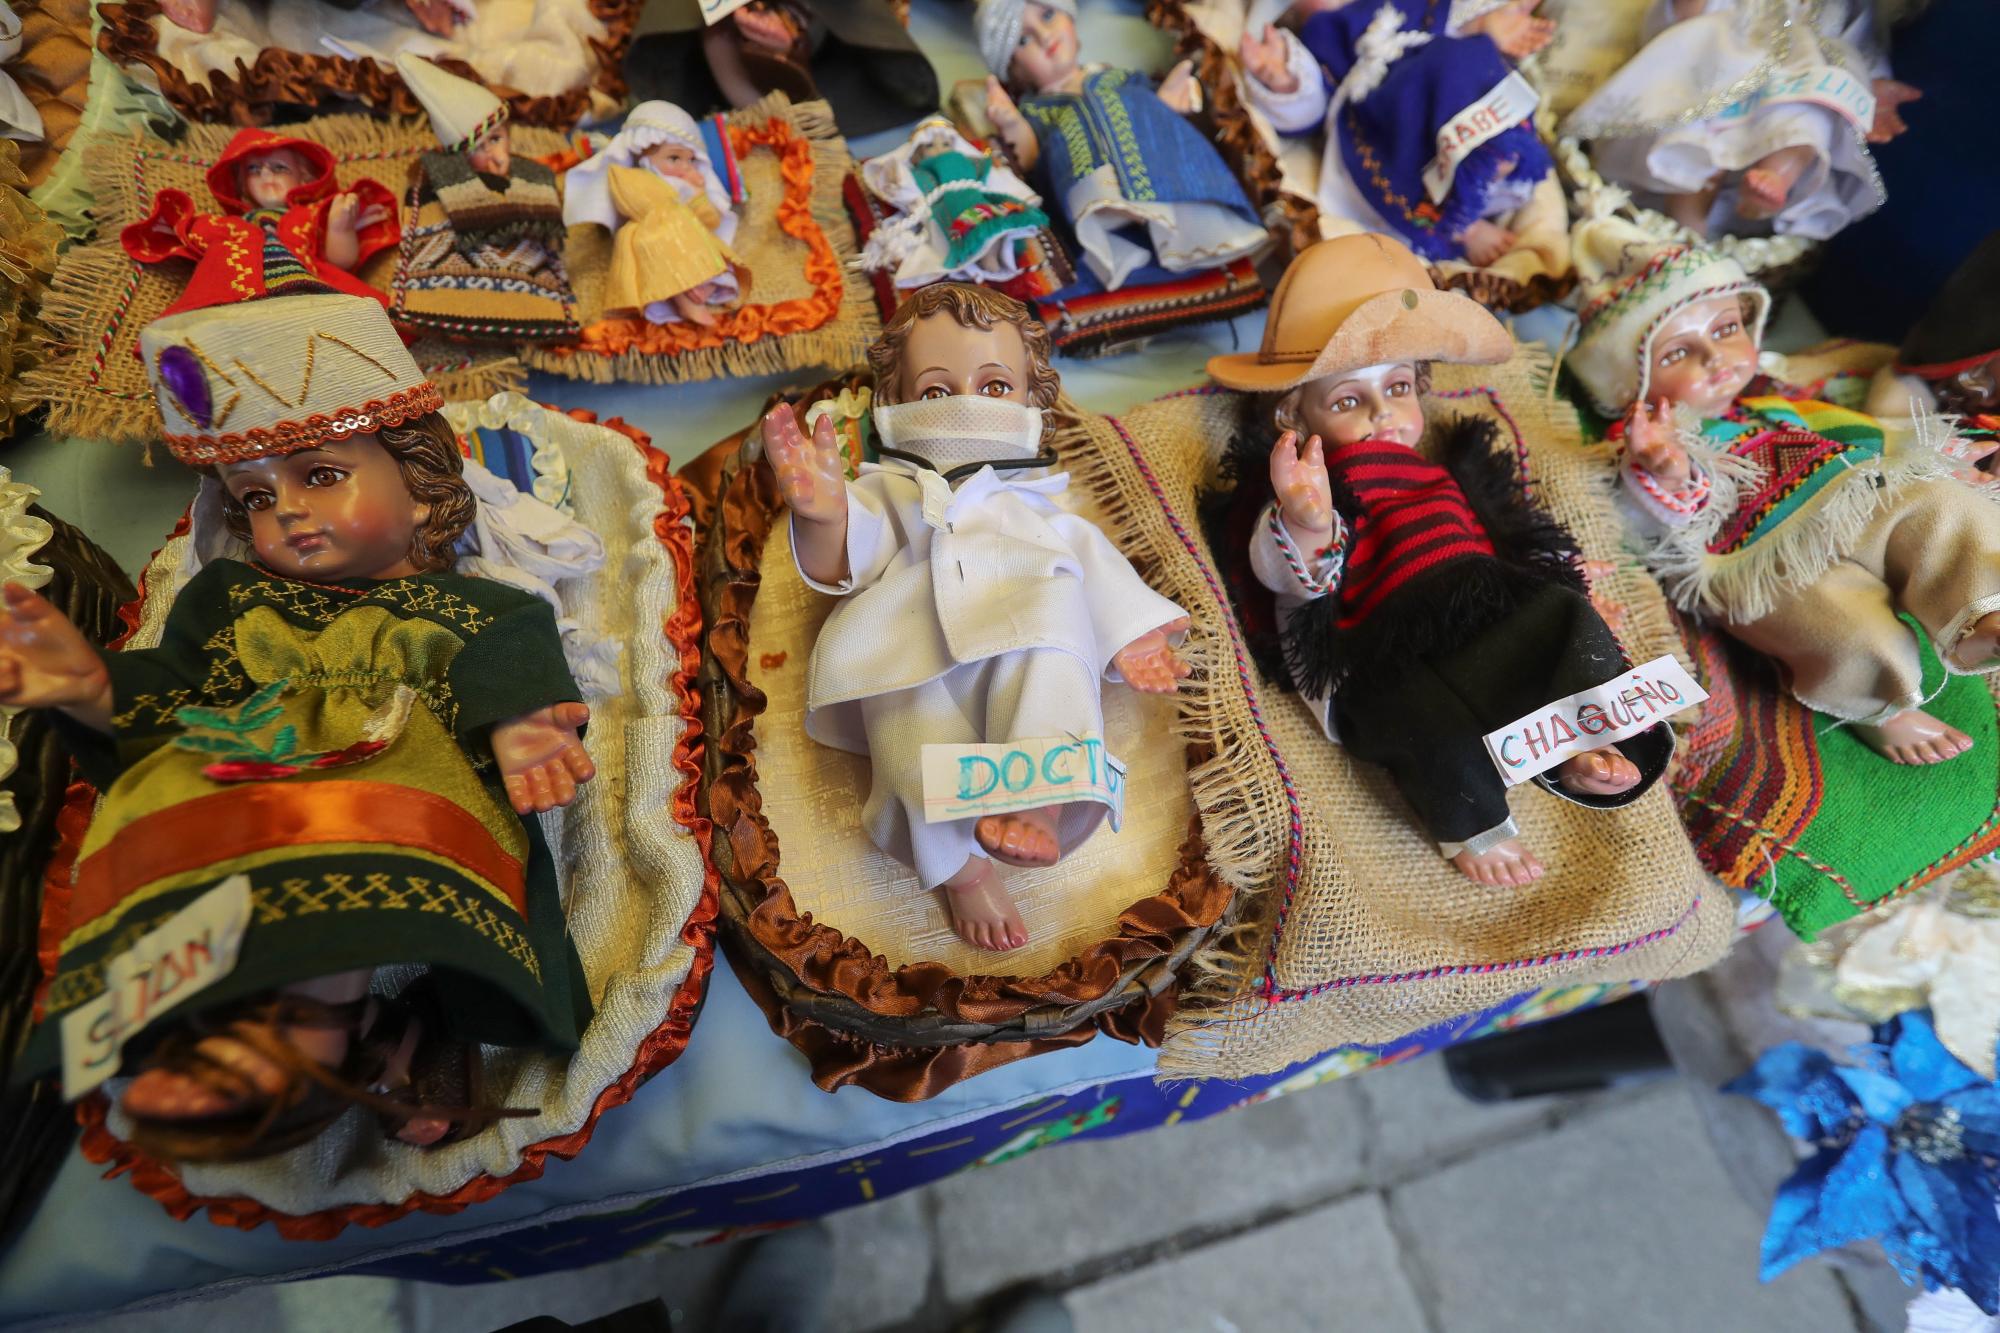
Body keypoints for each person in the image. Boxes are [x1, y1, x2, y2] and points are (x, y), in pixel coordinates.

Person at [5, 284, 595, 1161]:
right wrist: (93, 689)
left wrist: (515, 725)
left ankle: (295, 1027)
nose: (282, 511)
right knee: (174, 825)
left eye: (321, 474)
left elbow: (508, 646)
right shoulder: (230, 597)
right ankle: (234, 1014)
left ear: (425, 492)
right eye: (252, 497)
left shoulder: (464, 603)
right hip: (238, 764)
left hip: (394, 770)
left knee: (333, 836)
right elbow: (175, 692)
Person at [1208, 233, 1668, 885]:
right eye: (1347, 401)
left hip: (1478, 620)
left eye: (1398, 387)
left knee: (1562, 614)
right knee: (1432, 725)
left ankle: (1580, 732)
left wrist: (1561, 578)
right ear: (1292, 411)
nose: (1383, 416)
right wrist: (1307, 520)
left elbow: (1503, 543)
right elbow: (1286, 580)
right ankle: (1473, 822)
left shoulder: (1442, 474)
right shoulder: (1307, 487)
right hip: (1378, 653)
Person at [762, 283, 1189, 949]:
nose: (965, 402)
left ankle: (1038, 794)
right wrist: (824, 515)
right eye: (935, 391)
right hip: (909, 646)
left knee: (1055, 644)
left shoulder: (1041, 504)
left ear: (1029, 400)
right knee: (909, 752)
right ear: (895, 404)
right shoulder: (890, 488)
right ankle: (960, 871)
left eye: (993, 385)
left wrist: (1133, 634)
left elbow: (1095, 568)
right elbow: (847, 556)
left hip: (1026, 628)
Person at [1570, 214, 2000, 765]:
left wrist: (1924, 450)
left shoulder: (1775, 395)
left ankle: (1979, 613)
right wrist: (1666, 471)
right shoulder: (1651, 442)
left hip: (1849, 497)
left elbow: (1853, 431)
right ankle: (1880, 706)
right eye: (1679, 354)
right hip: (1760, 560)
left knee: (1943, 506)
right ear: (1629, 384)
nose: (1717, 360)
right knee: (1846, 629)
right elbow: (1653, 525)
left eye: (1726, 330)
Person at [975, 0, 1268, 292]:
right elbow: (1030, 158)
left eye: (1049, 16)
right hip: (1088, 193)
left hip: (1157, 173)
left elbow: (1155, 111)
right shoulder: (1036, 112)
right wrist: (1012, 123)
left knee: (1131, 102)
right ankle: (1110, 209)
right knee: (1069, 130)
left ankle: (1193, 225)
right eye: (1024, 40)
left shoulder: (1119, 78)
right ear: (1015, 70)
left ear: (1071, 19)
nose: (1045, 36)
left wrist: (1165, 103)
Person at [1237, 0, 1555, 265]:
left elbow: (1450, 28)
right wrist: (1285, 78)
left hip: (1448, 97)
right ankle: (1461, 225)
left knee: (1467, 58)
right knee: (1450, 60)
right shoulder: (1323, 30)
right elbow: (1315, 108)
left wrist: (1482, 28)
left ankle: (1494, 154)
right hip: (1384, 123)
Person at [390, 53, 579, 343]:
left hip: (532, 287)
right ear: (460, 156)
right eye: (479, 148)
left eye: (496, 139)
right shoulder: (435, 177)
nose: (493, 154)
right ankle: (452, 316)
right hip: (454, 283)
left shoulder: (532, 174)